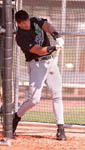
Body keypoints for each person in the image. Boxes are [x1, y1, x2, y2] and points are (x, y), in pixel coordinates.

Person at [13, 10, 66, 140]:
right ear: (18, 24)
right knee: (34, 100)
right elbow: (37, 50)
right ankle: (16, 117)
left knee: (57, 95)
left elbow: (47, 25)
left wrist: (56, 36)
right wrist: (53, 48)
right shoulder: (20, 36)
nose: (26, 24)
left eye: (27, 21)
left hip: (50, 63)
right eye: (23, 23)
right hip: (36, 65)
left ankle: (61, 129)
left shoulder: (34, 21)